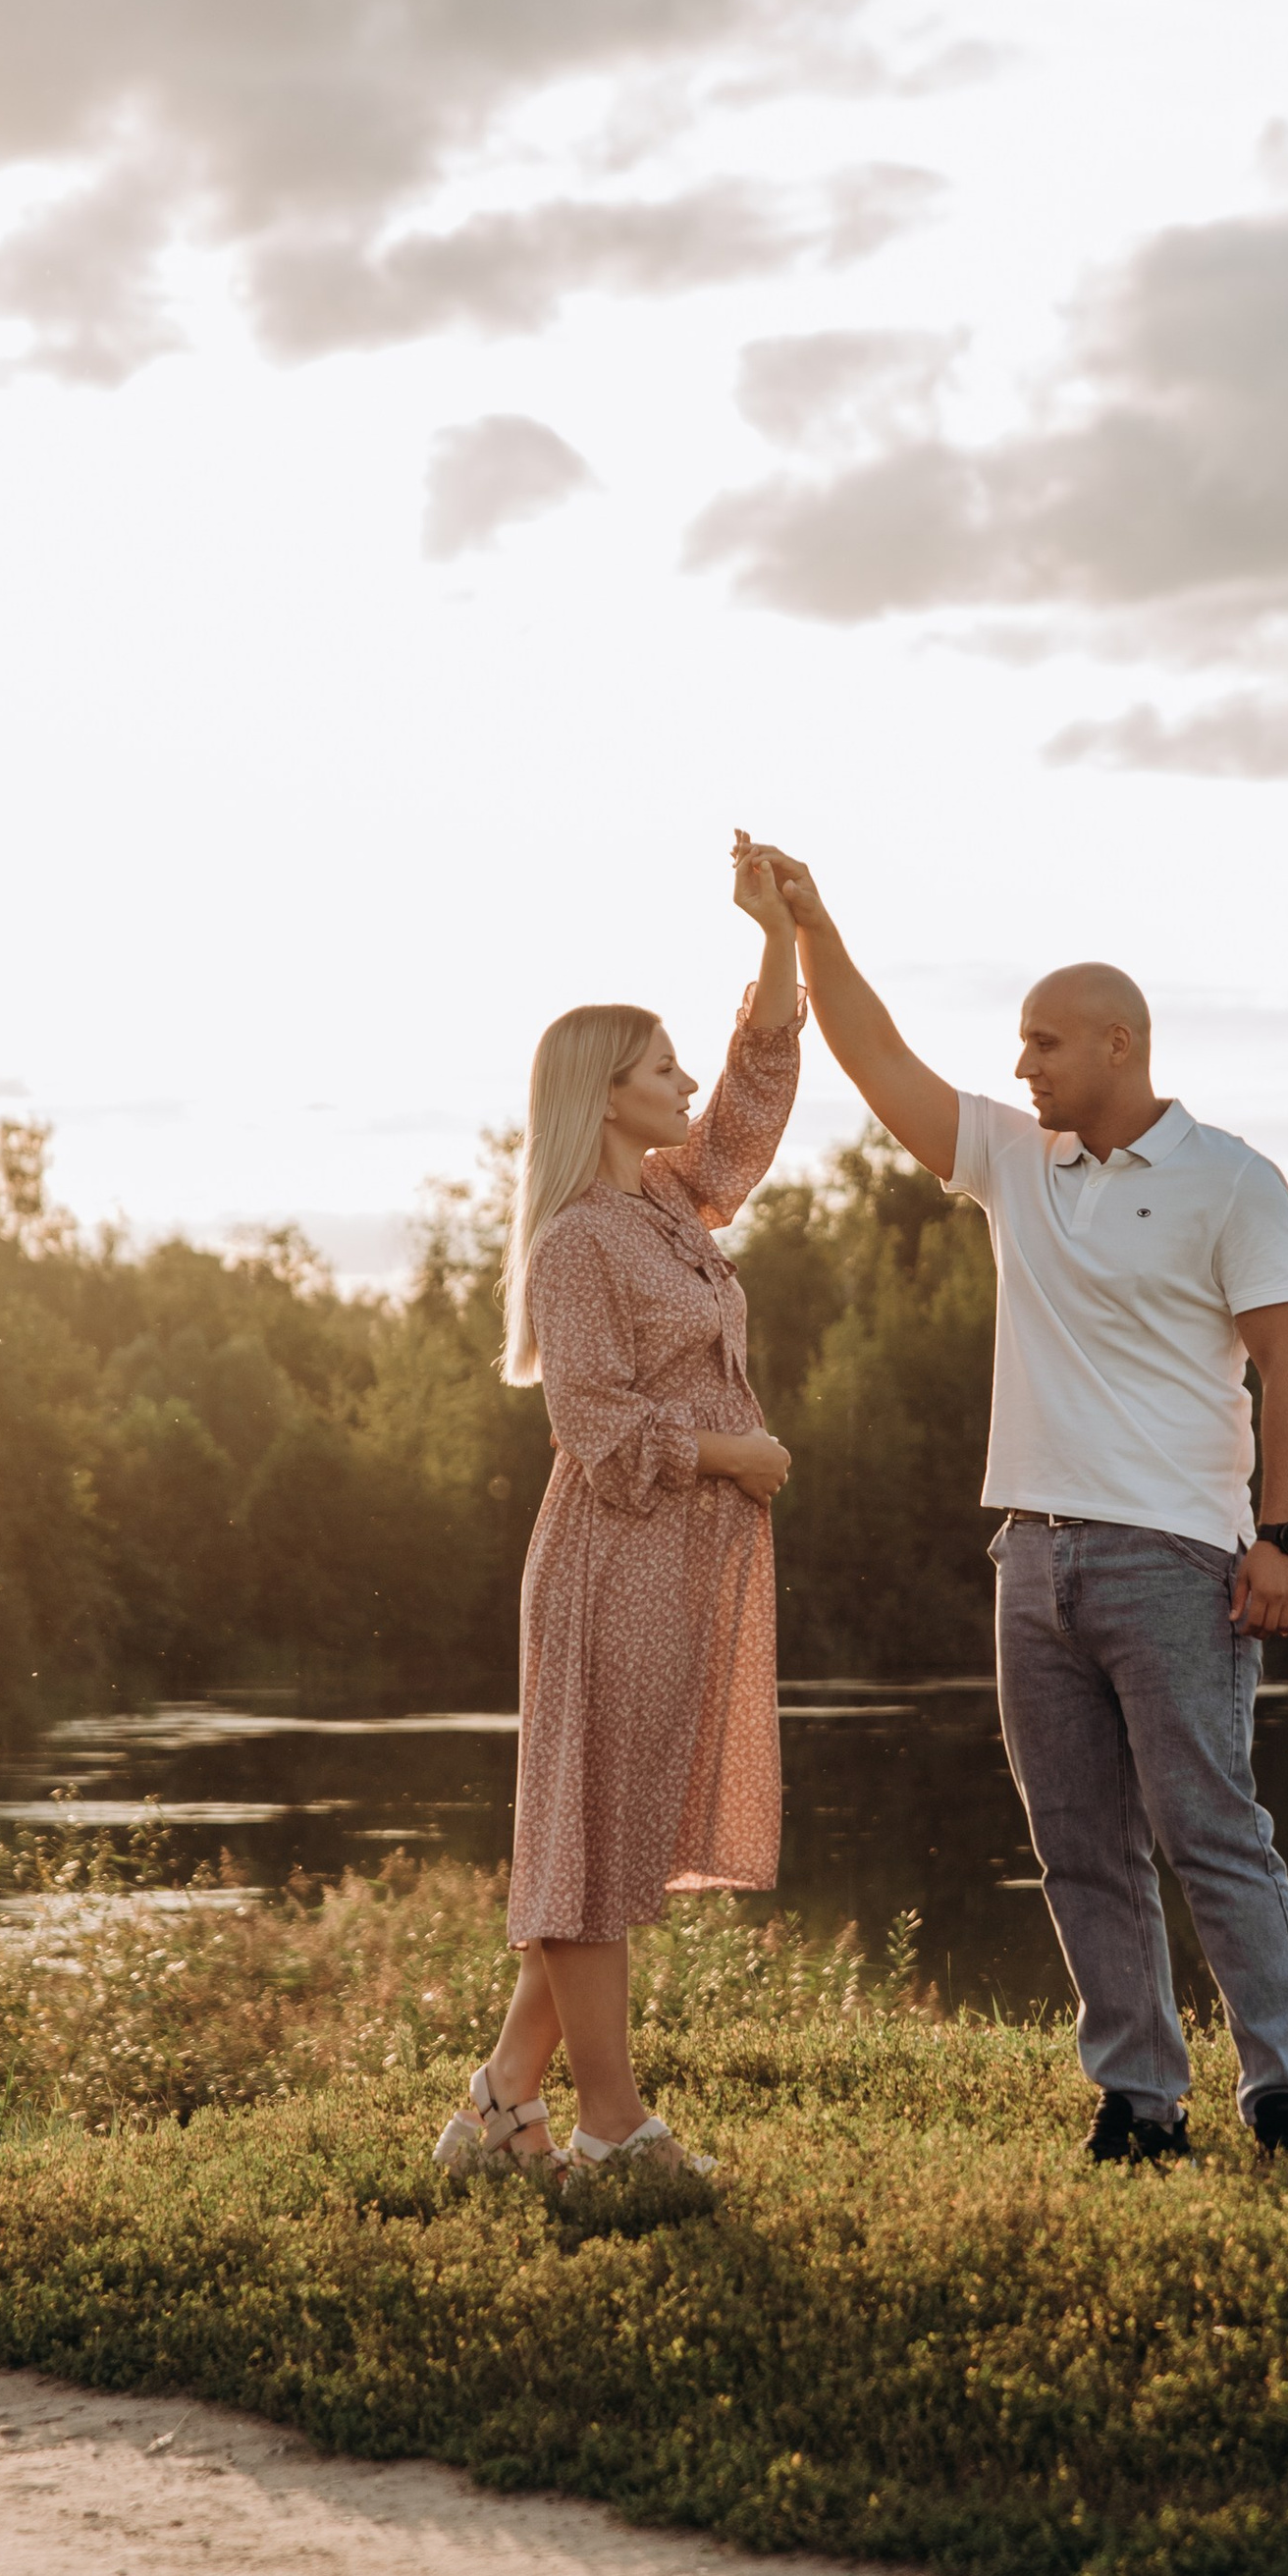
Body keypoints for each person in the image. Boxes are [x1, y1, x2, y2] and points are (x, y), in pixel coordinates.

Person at [748, 846, 1288, 2164]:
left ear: (1121, 1045)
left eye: (1047, 1044)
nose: (1023, 1069)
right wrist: (813, 930)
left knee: (1211, 1831)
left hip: (1180, 1561)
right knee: (1078, 1845)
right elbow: (877, 1058)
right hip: (1032, 1559)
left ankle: (1282, 2085)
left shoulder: (1234, 1182)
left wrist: (1282, 1533)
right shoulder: (1017, 1164)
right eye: (1020, 1046)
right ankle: (1139, 2099)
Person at [434, 838, 802, 2182]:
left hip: (679, 1563)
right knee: (591, 1839)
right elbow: (590, 1424)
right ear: (605, 1090)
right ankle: (610, 2127)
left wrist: (778, 938)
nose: (688, 1085)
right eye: (661, 1068)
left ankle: (499, 2108)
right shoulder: (583, 1240)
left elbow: (754, 1101)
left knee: (616, 1838)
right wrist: (732, 1457)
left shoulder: (665, 1202)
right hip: (615, 1557)